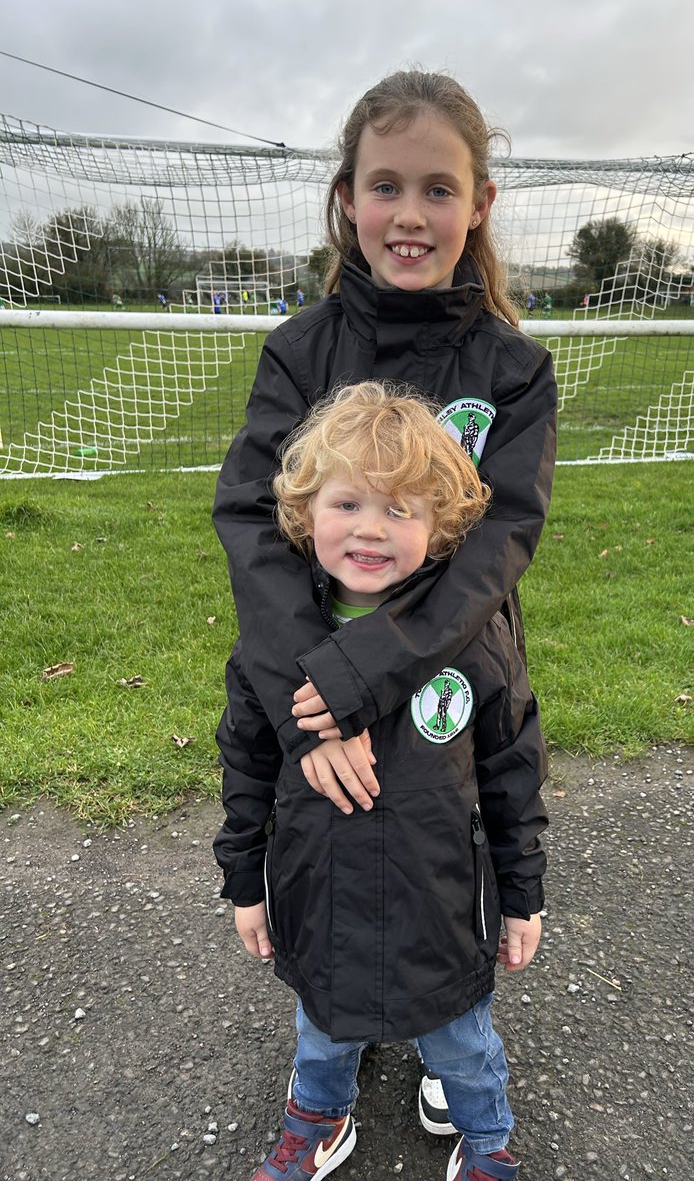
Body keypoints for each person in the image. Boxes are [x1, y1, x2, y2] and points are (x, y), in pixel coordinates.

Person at [212, 69, 557, 1172]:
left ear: (480, 205)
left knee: (432, 850)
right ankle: (339, 1044)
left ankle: (458, 1066)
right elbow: (253, 526)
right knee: (330, 861)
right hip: (305, 687)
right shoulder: (299, 351)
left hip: (445, 667)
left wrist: (374, 667)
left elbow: (497, 546)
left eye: (438, 189)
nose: (411, 214)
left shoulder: (514, 370)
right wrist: (317, 708)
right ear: (348, 198)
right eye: (386, 186)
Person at [214, 381, 548, 1180]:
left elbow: (511, 770)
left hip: (438, 897)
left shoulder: (470, 641)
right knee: (322, 1031)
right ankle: (320, 1121)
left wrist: (523, 894)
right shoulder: (274, 645)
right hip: (317, 891)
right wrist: (245, 884)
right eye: (349, 503)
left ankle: (487, 1137)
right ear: (302, 511)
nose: (371, 528)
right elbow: (247, 766)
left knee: (461, 1042)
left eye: (401, 510)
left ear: (441, 531)